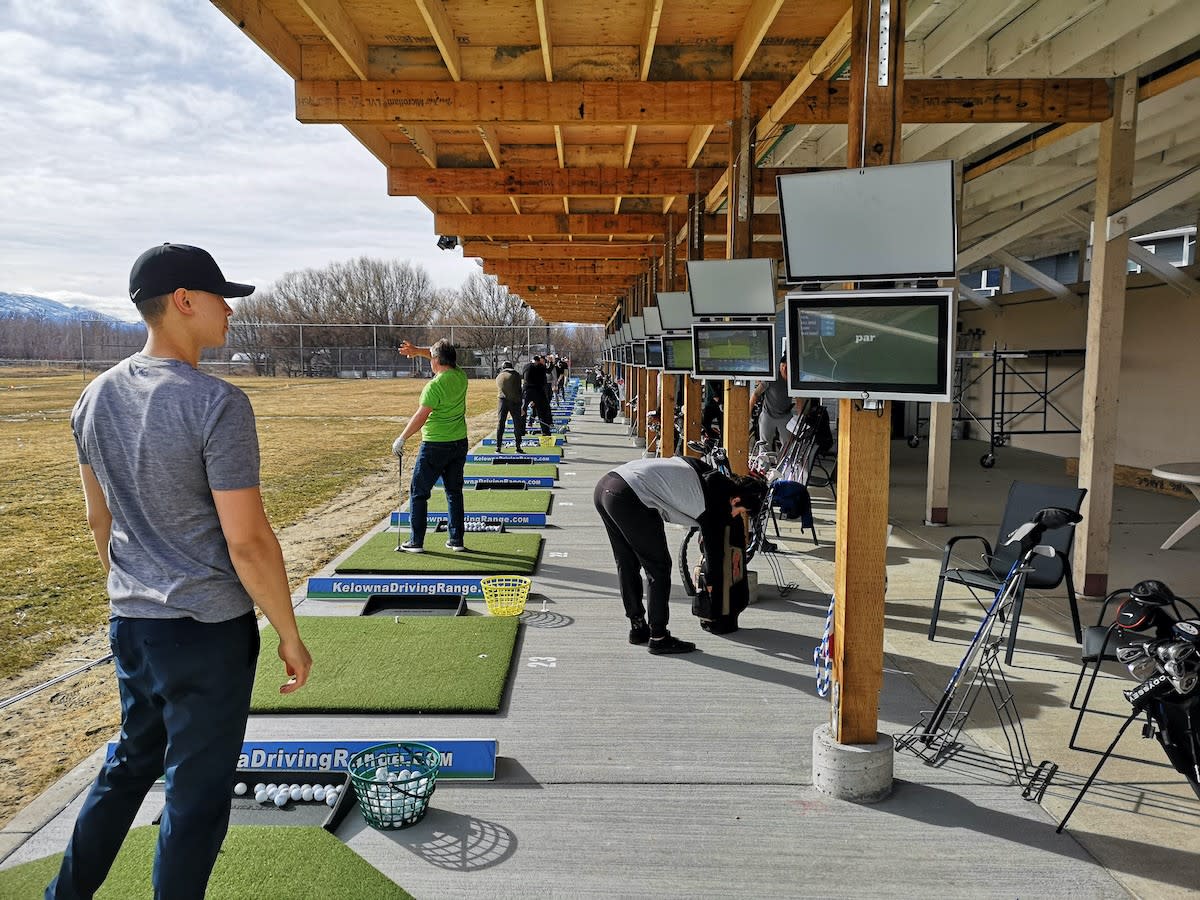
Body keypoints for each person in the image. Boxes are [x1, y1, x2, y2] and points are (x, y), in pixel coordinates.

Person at [48, 243, 313, 900]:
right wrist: (288, 630)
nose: (230, 309)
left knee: (129, 765)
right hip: (207, 632)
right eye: (220, 296)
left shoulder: (93, 396)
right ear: (184, 302)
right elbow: (248, 542)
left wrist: (130, 591)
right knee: (195, 803)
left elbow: (97, 522)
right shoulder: (217, 403)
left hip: (133, 626)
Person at [592, 456, 766, 655]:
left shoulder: (707, 472)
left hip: (606, 486)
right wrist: (712, 588)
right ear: (735, 500)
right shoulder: (715, 504)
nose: (735, 516)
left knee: (626, 562)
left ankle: (638, 627)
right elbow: (714, 555)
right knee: (658, 567)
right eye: (740, 511)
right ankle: (659, 637)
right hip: (631, 496)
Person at [395, 338, 469, 552]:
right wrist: (419, 351)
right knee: (454, 492)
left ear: (436, 360)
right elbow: (442, 356)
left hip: (435, 445)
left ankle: (416, 541)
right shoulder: (460, 376)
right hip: (459, 443)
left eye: (431, 357)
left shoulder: (434, 386)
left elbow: (421, 416)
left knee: (419, 492)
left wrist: (402, 438)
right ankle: (456, 540)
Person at [754, 358, 803, 450]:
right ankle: (764, 464)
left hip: (785, 415)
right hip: (768, 414)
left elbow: (799, 399)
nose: (784, 369)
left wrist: (800, 418)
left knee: (787, 444)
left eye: (786, 367)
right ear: (779, 367)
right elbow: (755, 394)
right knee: (764, 444)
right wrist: (747, 413)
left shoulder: (793, 379)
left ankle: (782, 463)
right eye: (782, 367)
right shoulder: (772, 378)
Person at [496, 359, 525, 453]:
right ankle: (518, 446)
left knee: (501, 424)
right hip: (514, 402)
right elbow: (519, 391)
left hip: (502, 401)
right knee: (517, 424)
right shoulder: (516, 375)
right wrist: (522, 406)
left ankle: (498, 447)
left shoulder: (499, 376)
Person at [521, 353, 553, 436]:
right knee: (541, 412)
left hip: (527, 391)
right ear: (538, 361)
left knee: (523, 411)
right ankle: (545, 431)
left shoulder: (526, 366)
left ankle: (521, 430)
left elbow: (524, 378)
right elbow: (545, 377)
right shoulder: (541, 367)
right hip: (538, 391)